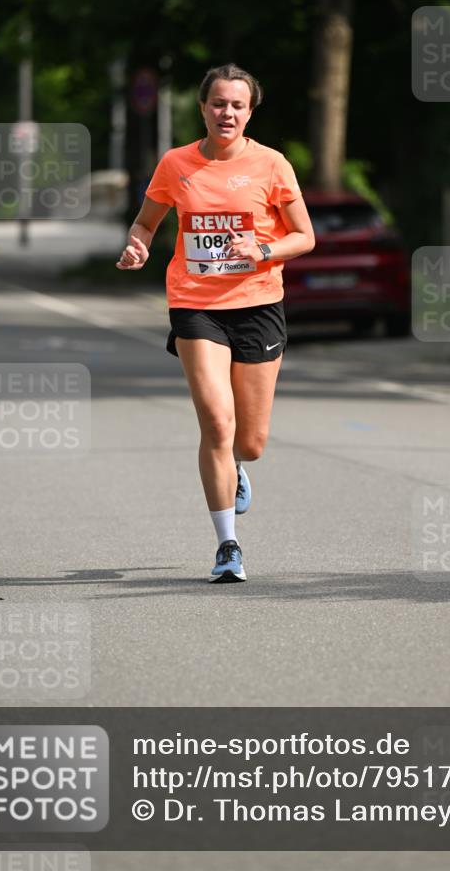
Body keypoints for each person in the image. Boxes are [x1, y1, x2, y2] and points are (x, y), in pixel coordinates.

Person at [116, 63, 315, 582]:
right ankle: (228, 545)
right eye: (218, 103)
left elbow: (304, 237)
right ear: (202, 108)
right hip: (196, 303)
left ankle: (239, 468)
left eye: (237, 105)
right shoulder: (176, 164)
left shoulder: (272, 165)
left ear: (250, 112)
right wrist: (138, 244)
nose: (227, 113)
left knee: (249, 441)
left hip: (257, 304)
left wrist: (263, 249)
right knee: (216, 423)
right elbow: (147, 221)